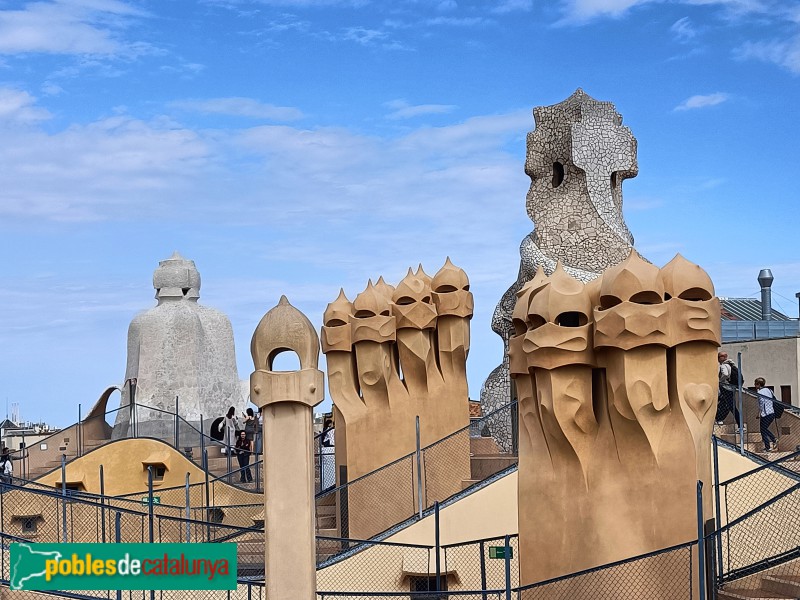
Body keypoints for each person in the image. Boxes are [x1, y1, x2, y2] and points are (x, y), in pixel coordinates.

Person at [716, 352, 742, 431]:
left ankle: (740, 426)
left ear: (722, 357)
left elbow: (726, 374)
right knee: (726, 404)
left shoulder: (724, 365)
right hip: (731, 388)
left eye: (718, 357)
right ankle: (719, 419)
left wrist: (720, 380)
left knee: (731, 406)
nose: (717, 359)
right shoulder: (731, 365)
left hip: (725, 388)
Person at [755, 377, 778, 452]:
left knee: (763, 430)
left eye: (755, 384)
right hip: (772, 412)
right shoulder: (769, 390)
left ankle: (768, 446)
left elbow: (761, 404)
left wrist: (759, 414)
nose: (755, 385)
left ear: (759, 384)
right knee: (764, 429)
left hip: (765, 414)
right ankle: (773, 440)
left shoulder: (759, 392)